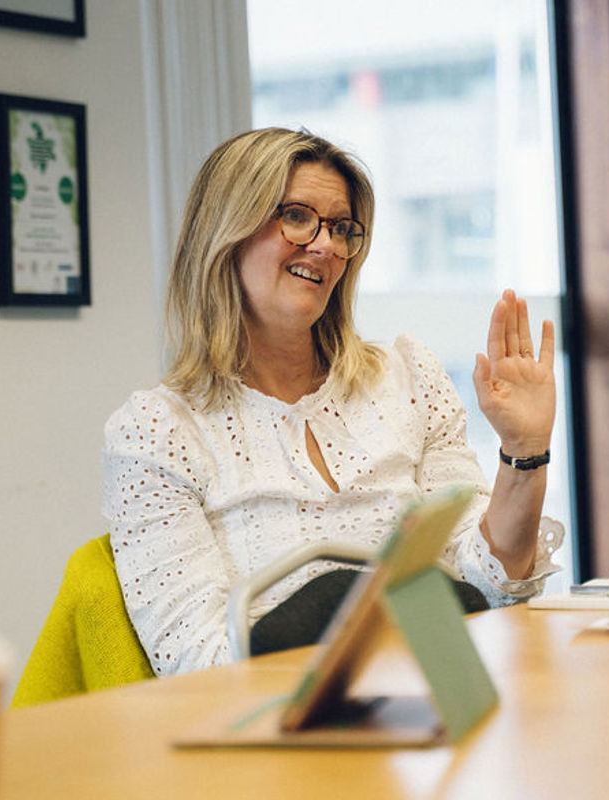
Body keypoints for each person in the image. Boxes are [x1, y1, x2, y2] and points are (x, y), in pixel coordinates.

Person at [103, 128, 565, 676]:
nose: (325, 245)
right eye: (297, 217)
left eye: (342, 228)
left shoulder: (409, 377)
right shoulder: (156, 431)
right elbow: (197, 662)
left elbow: (492, 585)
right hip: (286, 735)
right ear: (226, 231)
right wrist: (350, 606)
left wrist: (524, 452)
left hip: (437, 696)